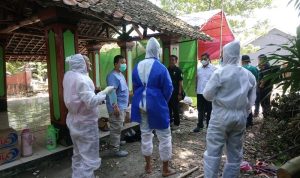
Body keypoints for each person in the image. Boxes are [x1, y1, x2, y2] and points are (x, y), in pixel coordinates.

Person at [203, 40, 256, 178]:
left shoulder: (220, 73)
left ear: (225, 54)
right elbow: (251, 101)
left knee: (213, 151)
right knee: (235, 153)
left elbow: (207, 95)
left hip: (220, 116)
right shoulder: (249, 75)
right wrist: (244, 111)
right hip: (240, 117)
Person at [63, 54, 114, 178]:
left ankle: (77, 175)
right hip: (86, 124)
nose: (90, 65)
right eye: (88, 62)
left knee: (78, 154)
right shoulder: (82, 79)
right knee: (88, 158)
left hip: (74, 120)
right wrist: (105, 92)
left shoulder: (68, 76)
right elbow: (91, 102)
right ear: (81, 64)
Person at [131, 37, 176, 177]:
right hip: (156, 104)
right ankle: (165, 169)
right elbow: (168, 88)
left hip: (141, 104)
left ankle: (148, 166)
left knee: (145, 134)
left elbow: (135, 85)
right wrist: (162, 101)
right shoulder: (161, 67)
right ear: (157, 51)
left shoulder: (137, 65)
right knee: (164, 136)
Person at [106, 55, 129, 157]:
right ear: (115, 64)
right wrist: (115, 107)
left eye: (125, 62)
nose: (124, 64)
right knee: (115, 128)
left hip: (122, 105)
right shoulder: (113, 76)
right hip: (116, 107)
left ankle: (117, 142)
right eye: (121, 62)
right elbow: (112, 92)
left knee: (119, 125)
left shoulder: (120, 74)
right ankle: (115, 150)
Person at [193, 53, 216, 132]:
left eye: (205, 59)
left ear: (208, 59)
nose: (203, 60)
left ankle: (209, 126)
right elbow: (197, 79)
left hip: (209, 93)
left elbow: (215, 81)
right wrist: (195, 87)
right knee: (200, 110)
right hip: (200, 92)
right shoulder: (199, 69)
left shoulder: (214, 69)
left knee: (209, 110)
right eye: (201, 59)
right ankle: (200, 125)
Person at [241, 55, 259, 127]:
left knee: (244, 106)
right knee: (250, 105)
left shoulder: (241, 69)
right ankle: (250, 122)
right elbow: (257, 78)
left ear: (242, 61)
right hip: (253, 89)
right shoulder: (254, 68)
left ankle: (245, 123)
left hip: (244, 90)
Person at [167, 55, 183, 130]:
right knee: (168, 108)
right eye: (170, 60)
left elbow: (180, 83)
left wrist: (179, 93)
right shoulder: (166, 70)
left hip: (175, 93)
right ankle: (170, 122)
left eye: (173, 60)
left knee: (175, 108)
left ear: (176, 61)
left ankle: (177, 124)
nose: (171, 61)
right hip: (167, 93)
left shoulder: (178, 70)